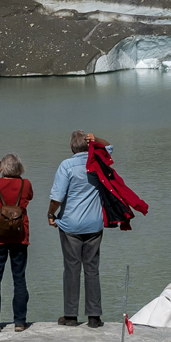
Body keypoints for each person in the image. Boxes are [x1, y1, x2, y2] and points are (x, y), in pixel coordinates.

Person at [49, 131, 110, 328]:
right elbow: (109, 146)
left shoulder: (67, 165)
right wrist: (97, 139)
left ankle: (71, 316)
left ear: (71, 148)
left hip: (71, 225)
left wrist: (51, 214)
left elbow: (57, 197)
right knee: (92, 269)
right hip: (94, 224)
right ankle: (94, 316)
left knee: (72, 269)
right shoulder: (98, 161)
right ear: (89, 145)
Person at [0, 155, 34, 332]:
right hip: (19, 235)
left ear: (1, 168)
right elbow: (30, 197)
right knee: (19, 279)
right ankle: (20, 321)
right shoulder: (26, 184)